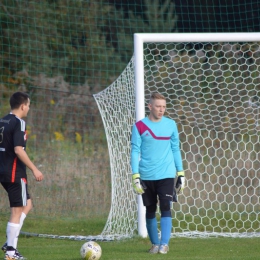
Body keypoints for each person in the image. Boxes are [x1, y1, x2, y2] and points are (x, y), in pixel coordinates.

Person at [130, 92, 185, 254]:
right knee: (150, 209)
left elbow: (175, 149)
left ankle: (164, 244)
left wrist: (180, 172)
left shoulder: (171, 125)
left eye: (164, 107)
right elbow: (134, 151)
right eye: (158, 106)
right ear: (150, 107)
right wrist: (135, 175)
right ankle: (155, 244)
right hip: (146, 175)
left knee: (166, 206)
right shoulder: (139, 126)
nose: (162, 110)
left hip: (167, 174)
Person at [0, 92, 44, 260]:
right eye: (29, 105)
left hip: (3, 170)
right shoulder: (19, 123)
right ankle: (11, 252)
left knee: (28, 204)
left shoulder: (2, 121)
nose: (29, 108)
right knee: (16, 210)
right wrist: (34, 169)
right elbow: (19, 150)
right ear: (23, 106)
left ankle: (9, 242)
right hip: (14, 172)